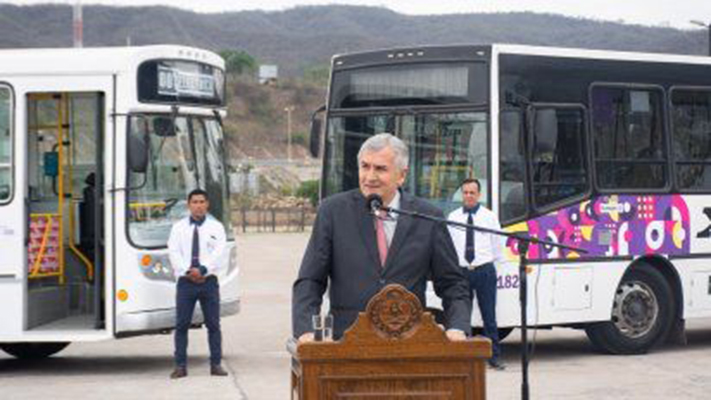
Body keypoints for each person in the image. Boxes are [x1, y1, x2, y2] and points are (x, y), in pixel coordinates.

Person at [292, 133, 471, 343]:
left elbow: (452, 284)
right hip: (347, 344)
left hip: (410, 344)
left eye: (380, 169)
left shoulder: (427, 217)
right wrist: (306, 331)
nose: (369, 177)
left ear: (402, 175)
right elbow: (310, 280)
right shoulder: (333, 212)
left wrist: (457, 327)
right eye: (365, 166)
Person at [168, 189, 228, 379]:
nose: (199, 205)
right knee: (181, 324)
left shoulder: (216, 227)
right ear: (189, 205)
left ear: (207, 204)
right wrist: (188, 271)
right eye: (195, 202)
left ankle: (216, 364)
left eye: (202, 202)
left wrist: (202, 270)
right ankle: (180, 366)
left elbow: (219, 252)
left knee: (213, 325)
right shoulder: (178, 228)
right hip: (186, 283)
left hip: (208, 282)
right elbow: (173, 251)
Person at [447, 178, 506, 370]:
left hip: (484, 270)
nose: (468, 196)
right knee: (462, 317)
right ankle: (465, 358)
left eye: (472, 192)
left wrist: (492, 262)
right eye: (465, 192)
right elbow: (449, 246)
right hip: (462, 272)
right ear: (461, 194)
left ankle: (494, 357)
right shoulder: (453, 217)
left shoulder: (489, 217)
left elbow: (498, 243)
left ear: (478, 195)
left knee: (489, 316)